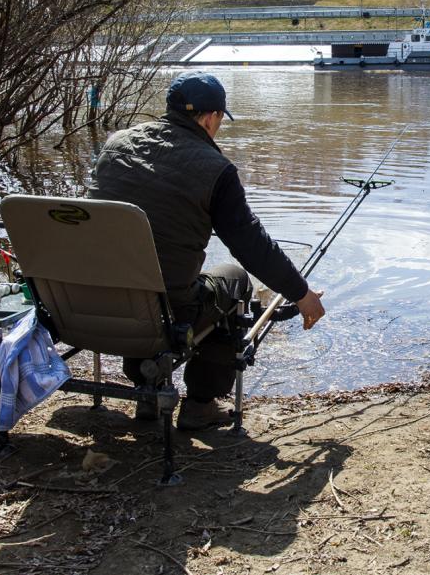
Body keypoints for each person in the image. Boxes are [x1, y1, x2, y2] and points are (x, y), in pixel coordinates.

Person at [87, 71, 325, 430]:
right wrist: (301, 294)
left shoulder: (116, 144)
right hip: (163, 313)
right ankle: (200, 403)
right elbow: (251, 244)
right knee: (234, 279)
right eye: (219, 121)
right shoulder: (216, 169)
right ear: (212, 117)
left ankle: (147, 385)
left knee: (142, 274)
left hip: (93, 301)